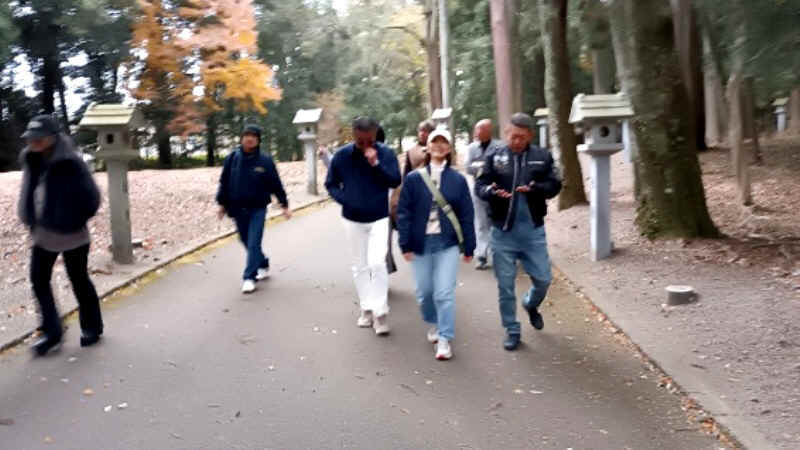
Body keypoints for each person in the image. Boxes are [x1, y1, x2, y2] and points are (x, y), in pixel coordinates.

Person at [17, 115, 103, 356]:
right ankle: (51, 331)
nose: (33, 142)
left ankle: (92, 327)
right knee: (38, 280)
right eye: (30, 138)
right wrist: (29, 217)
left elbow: (92, 199)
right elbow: (29, 192)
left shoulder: (71, 162)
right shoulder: (31, 159)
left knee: (79, 279)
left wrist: (70, 219)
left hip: (73, 234)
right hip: (43, 233)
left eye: (38, 138)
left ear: (53, 138)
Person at [475, 113, 562, 351]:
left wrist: (536, 188)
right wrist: (491, 192)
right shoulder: (494, 157)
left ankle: (530, 303)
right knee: (505, 286)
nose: (516, 141)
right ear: (506, 134)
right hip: (502, 233)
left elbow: (554, 185)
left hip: (533, 232)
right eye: (513, 136)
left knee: (543, 280)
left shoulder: (542, 157)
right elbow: (480, 185)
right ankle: (512, 329)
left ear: (530, 136)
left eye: (521, 137)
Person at [397, 128, 475, 360]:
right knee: (424, 293)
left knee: (443, 293)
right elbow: (404, 213)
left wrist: (469, 246)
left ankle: (444, 338)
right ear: (427, 147)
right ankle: (434, 321)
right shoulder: (413, 179)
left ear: (449, 148)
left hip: (447, 243)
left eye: (444, 142)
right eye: (435, 141)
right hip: (420, 243)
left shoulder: (458, 180)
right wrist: (404, 244)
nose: (439, 145)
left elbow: (466, 214)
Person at [325, 117, 401, 336]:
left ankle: (380, 313)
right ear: (354, 135)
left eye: (370, 141)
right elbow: (330, 184)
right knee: (360, 265)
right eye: (361, 142)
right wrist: (345, 199)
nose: (366, 145)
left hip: (379, 216)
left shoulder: (386, 153)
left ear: (376, 135)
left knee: (377, 263)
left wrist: (376, 164)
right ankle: (367, 307)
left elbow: (395, 180)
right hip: (352, 218)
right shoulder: (342, 156)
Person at [217, 124, 291, 294]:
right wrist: (222, 204)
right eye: (247, 135)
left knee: (253, 242)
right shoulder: (232, 159)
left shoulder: (265, 161)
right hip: (237, 208)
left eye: (253, 136)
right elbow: (224, 182)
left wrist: (284, 205)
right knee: (245, 240)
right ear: (242, 138)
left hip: (258, 208)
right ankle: (262, 262)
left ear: (258, 140)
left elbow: (275, 184)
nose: (250, 139)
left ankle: (249, 277)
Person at [465, 119, 503, 271]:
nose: (476, 132)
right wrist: (486, 167)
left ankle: (497, 255)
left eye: (479, 129)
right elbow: (468, 167)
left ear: (488, 130)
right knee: (481, 223)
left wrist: (481, 166)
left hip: (497, 190)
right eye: (476, 129)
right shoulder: (471, 148)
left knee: (496, 222)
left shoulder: (500, 146)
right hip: (478, 189)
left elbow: (502, 167)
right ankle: (481, 255)